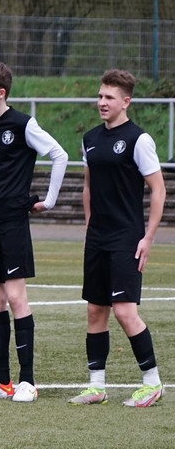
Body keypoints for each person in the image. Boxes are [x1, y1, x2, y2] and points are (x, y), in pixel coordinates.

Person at [0, 61, 67, 403]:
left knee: (15, 297)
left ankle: (28, 382)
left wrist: (49, 201)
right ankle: (2, 381)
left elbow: (59, 154)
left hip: (13, 222)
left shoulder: (24, 124)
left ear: (1, 93)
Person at [70, 69, 165, 408]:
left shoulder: (139, 140)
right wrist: (89, 227)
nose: (102, 102)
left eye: (109, 97)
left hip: (127, 237)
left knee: (124, 311)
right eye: (100, 96)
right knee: (95, 310)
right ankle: (96, 386)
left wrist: (148, 237)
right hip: (97, 237)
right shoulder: (90, 138)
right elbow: (88, 186)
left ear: (126, 101)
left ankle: (152, 382)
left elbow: (158, 190)